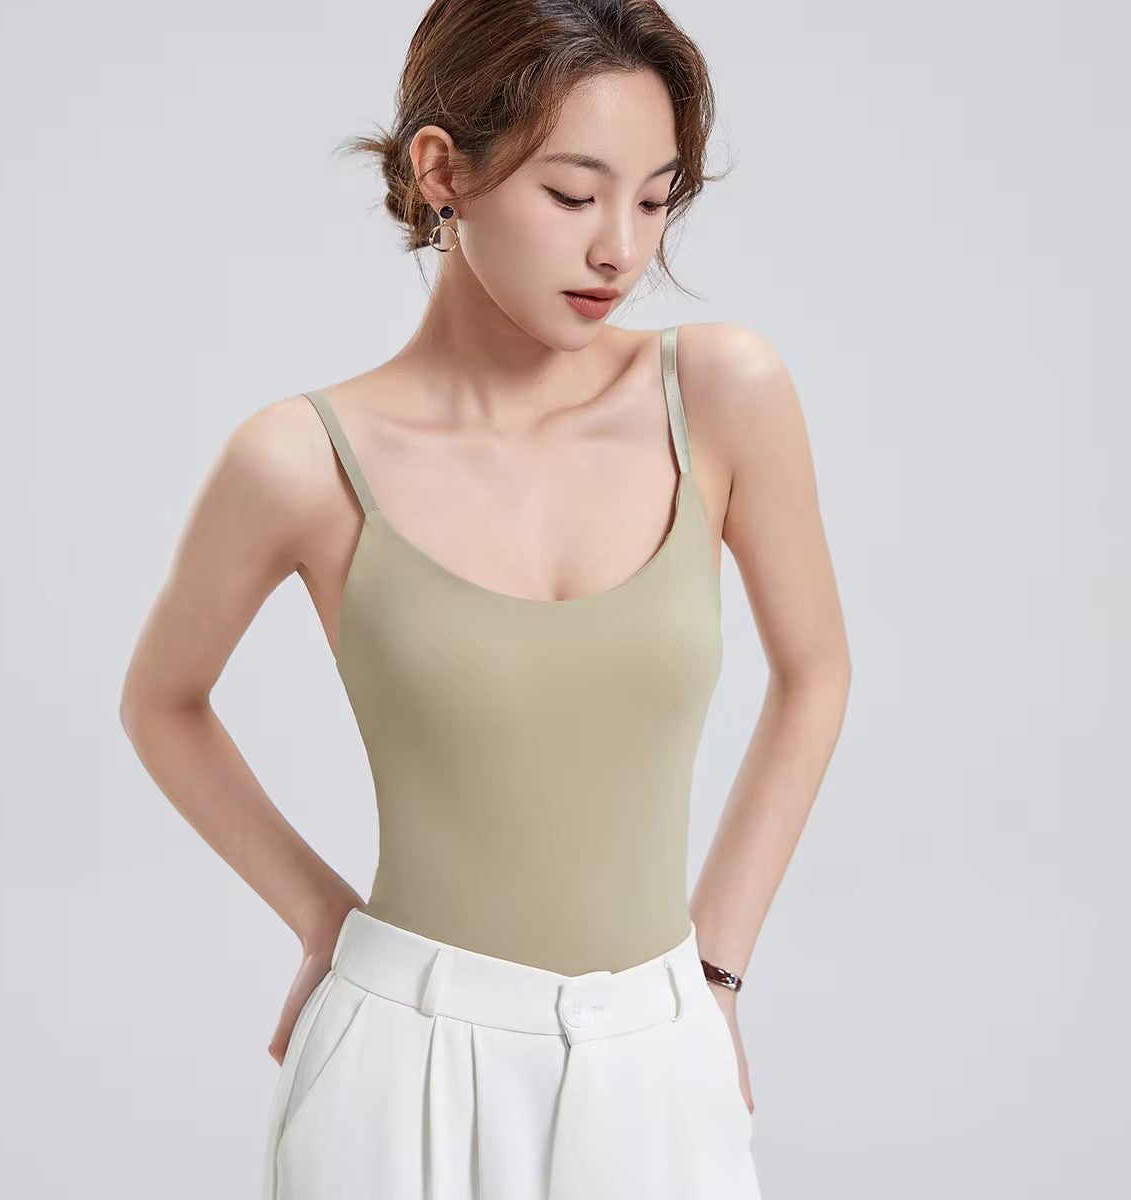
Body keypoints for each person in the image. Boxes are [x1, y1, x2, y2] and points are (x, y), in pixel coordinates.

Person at [119, 1, 852, 1196]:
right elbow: (161, 702)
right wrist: (323, 919)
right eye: (574, 195)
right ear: (441, 170)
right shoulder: (299, 460)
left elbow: (816, 674)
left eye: (656, 199)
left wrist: (713, 979)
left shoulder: (722, 393)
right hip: (396, 1061)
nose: (620, 249)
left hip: (655, 1053)